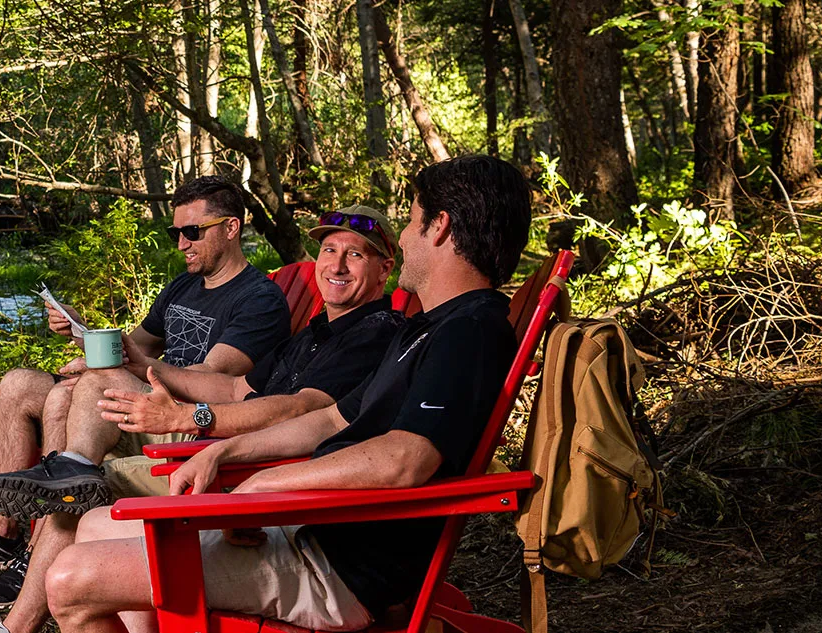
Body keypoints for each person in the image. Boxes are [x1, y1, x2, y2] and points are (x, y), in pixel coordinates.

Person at [40, 154, 537, 633]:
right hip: (309, 526)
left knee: (69, 580)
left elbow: (406, 459)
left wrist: (263, 487)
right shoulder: (427, 328)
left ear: (441, 227)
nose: (406, 238)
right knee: (96, 527)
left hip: (338, 561)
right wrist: (224, 451)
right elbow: (331, 420)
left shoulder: (469, 331)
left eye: (410, 223)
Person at [0, 206, 410, 632]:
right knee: (80, 474)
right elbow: (237, 388)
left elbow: (304, 410)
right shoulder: (316, 332)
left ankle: (23, 606)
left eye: (355, 254)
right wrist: (143, 367)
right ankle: (69, 477)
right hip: (222, 445)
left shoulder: (371, 332)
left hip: (251, 467)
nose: (337, 264)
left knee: (83, 481)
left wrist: (189, 416)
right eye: (329, 250)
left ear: (384, 269)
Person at [0, 177, 291, 607]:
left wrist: (118, 367)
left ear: (231, 228)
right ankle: (0, 536)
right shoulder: (183, 287)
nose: (181, 244)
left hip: (183, 416)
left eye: (192, 232)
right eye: (175, 233)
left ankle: (36, 553)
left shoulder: (259, 300)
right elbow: (136, 346)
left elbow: (212, 377)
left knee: (71, 392)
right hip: (134, 391)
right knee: (18, 385)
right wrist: (83, 332)